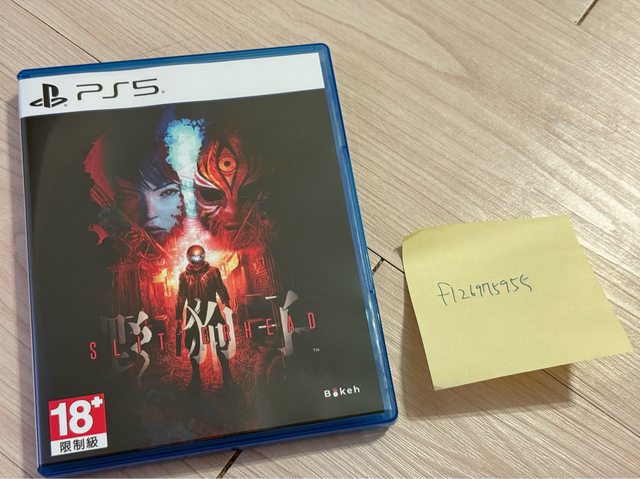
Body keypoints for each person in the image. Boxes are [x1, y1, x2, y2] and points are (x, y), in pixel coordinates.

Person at [175, 244, 233, 391]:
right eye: (193, 257)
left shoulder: (213, 271)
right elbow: (181, 296)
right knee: (193, 347)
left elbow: (221, 288)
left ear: (203, 256)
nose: (196, 260)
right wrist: (178, 316)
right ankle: (196, 378)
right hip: (193, 315)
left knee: (221, 343)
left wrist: (227, 304)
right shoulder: (183, 276)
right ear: (189, 258)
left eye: (198, 256)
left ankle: (227, 377)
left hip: (212, 312)